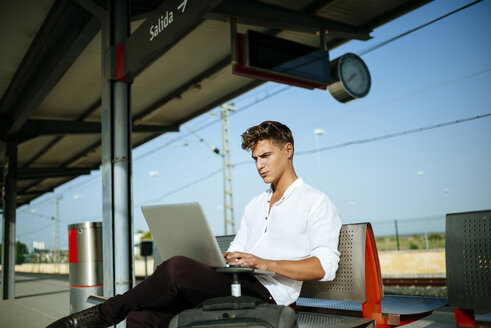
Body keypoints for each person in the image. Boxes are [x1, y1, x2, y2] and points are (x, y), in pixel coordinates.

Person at [48, 121, 341, 328]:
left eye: (266, 156)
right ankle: (108, 314)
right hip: (236, 284)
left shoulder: (315, 201)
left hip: (269, 295)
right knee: (143, 317)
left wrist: (264, 262)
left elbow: (323, 268)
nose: (259, 165)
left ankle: (102, 313)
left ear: (288, 150)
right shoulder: (255, 204)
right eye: (254, 159)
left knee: (176, 268)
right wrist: (225, 257)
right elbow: (239, 249)